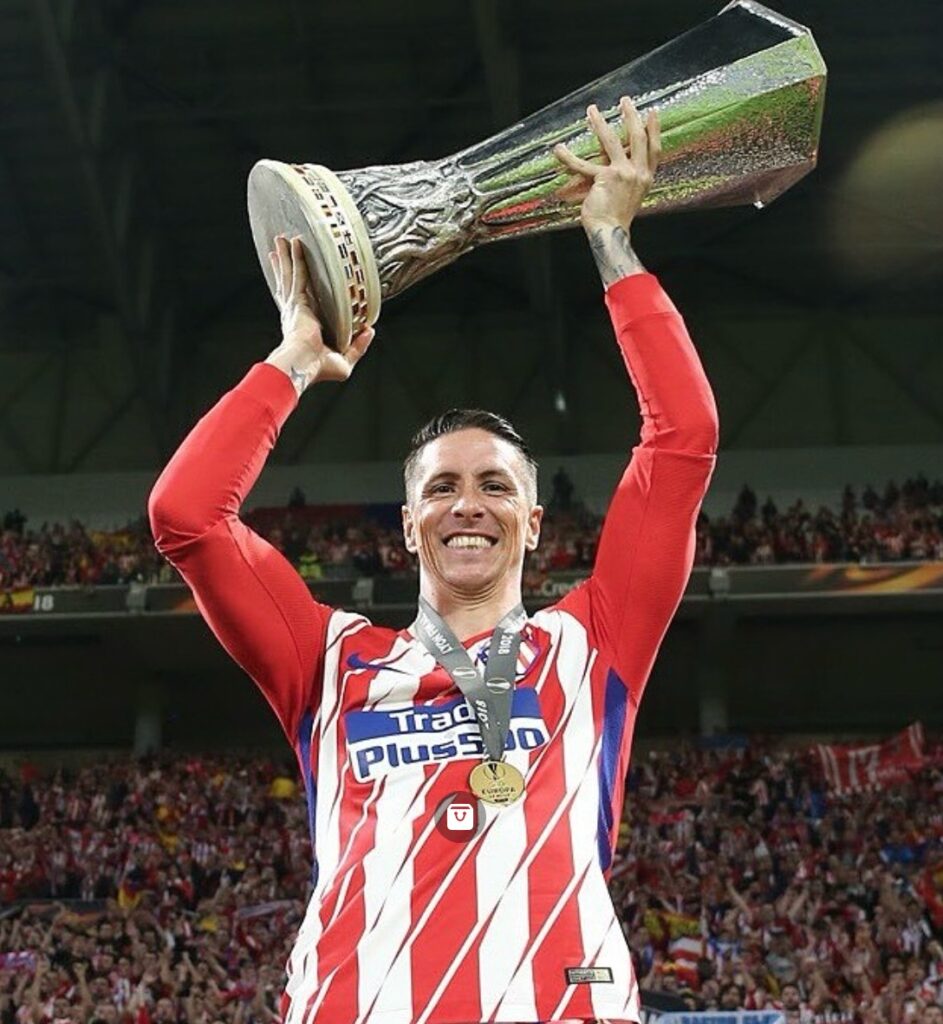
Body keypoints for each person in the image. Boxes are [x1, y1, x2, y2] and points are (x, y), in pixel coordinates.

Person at [148, 96, 718, 1024]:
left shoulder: (594, 642)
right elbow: (186, 517)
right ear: (410, 526)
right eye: (442, 488)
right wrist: (294, 357)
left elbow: (682, 439)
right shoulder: (329, 662)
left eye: (495, 486)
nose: (468, 504)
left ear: (533, 522)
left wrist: (611, 242)